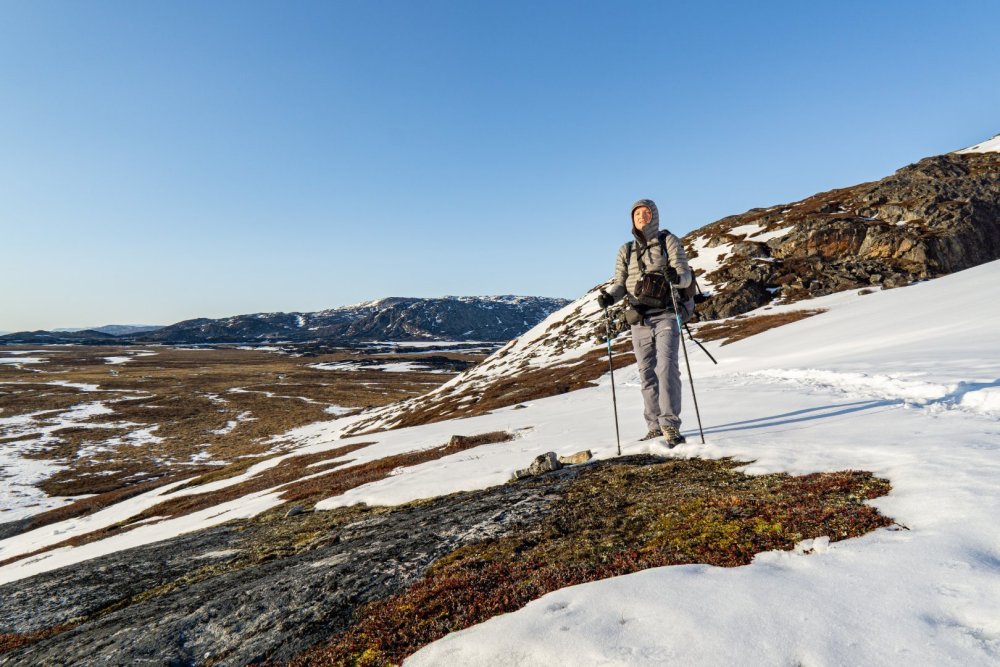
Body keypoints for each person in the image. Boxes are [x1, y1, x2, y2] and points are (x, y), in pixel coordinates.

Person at [597, 199, 693, 446]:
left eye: (646, 212)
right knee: (646, 373)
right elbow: (620, 284)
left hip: (667, 313)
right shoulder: (625, 250)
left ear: (654, 216)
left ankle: (669, 425)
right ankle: (653, 426)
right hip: (638, 317)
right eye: (637, 213)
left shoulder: (668, 241)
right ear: (632, 219)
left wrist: (676, 277)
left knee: (666, 367)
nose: (641, 216)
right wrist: (610, 296)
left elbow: (685, 275)